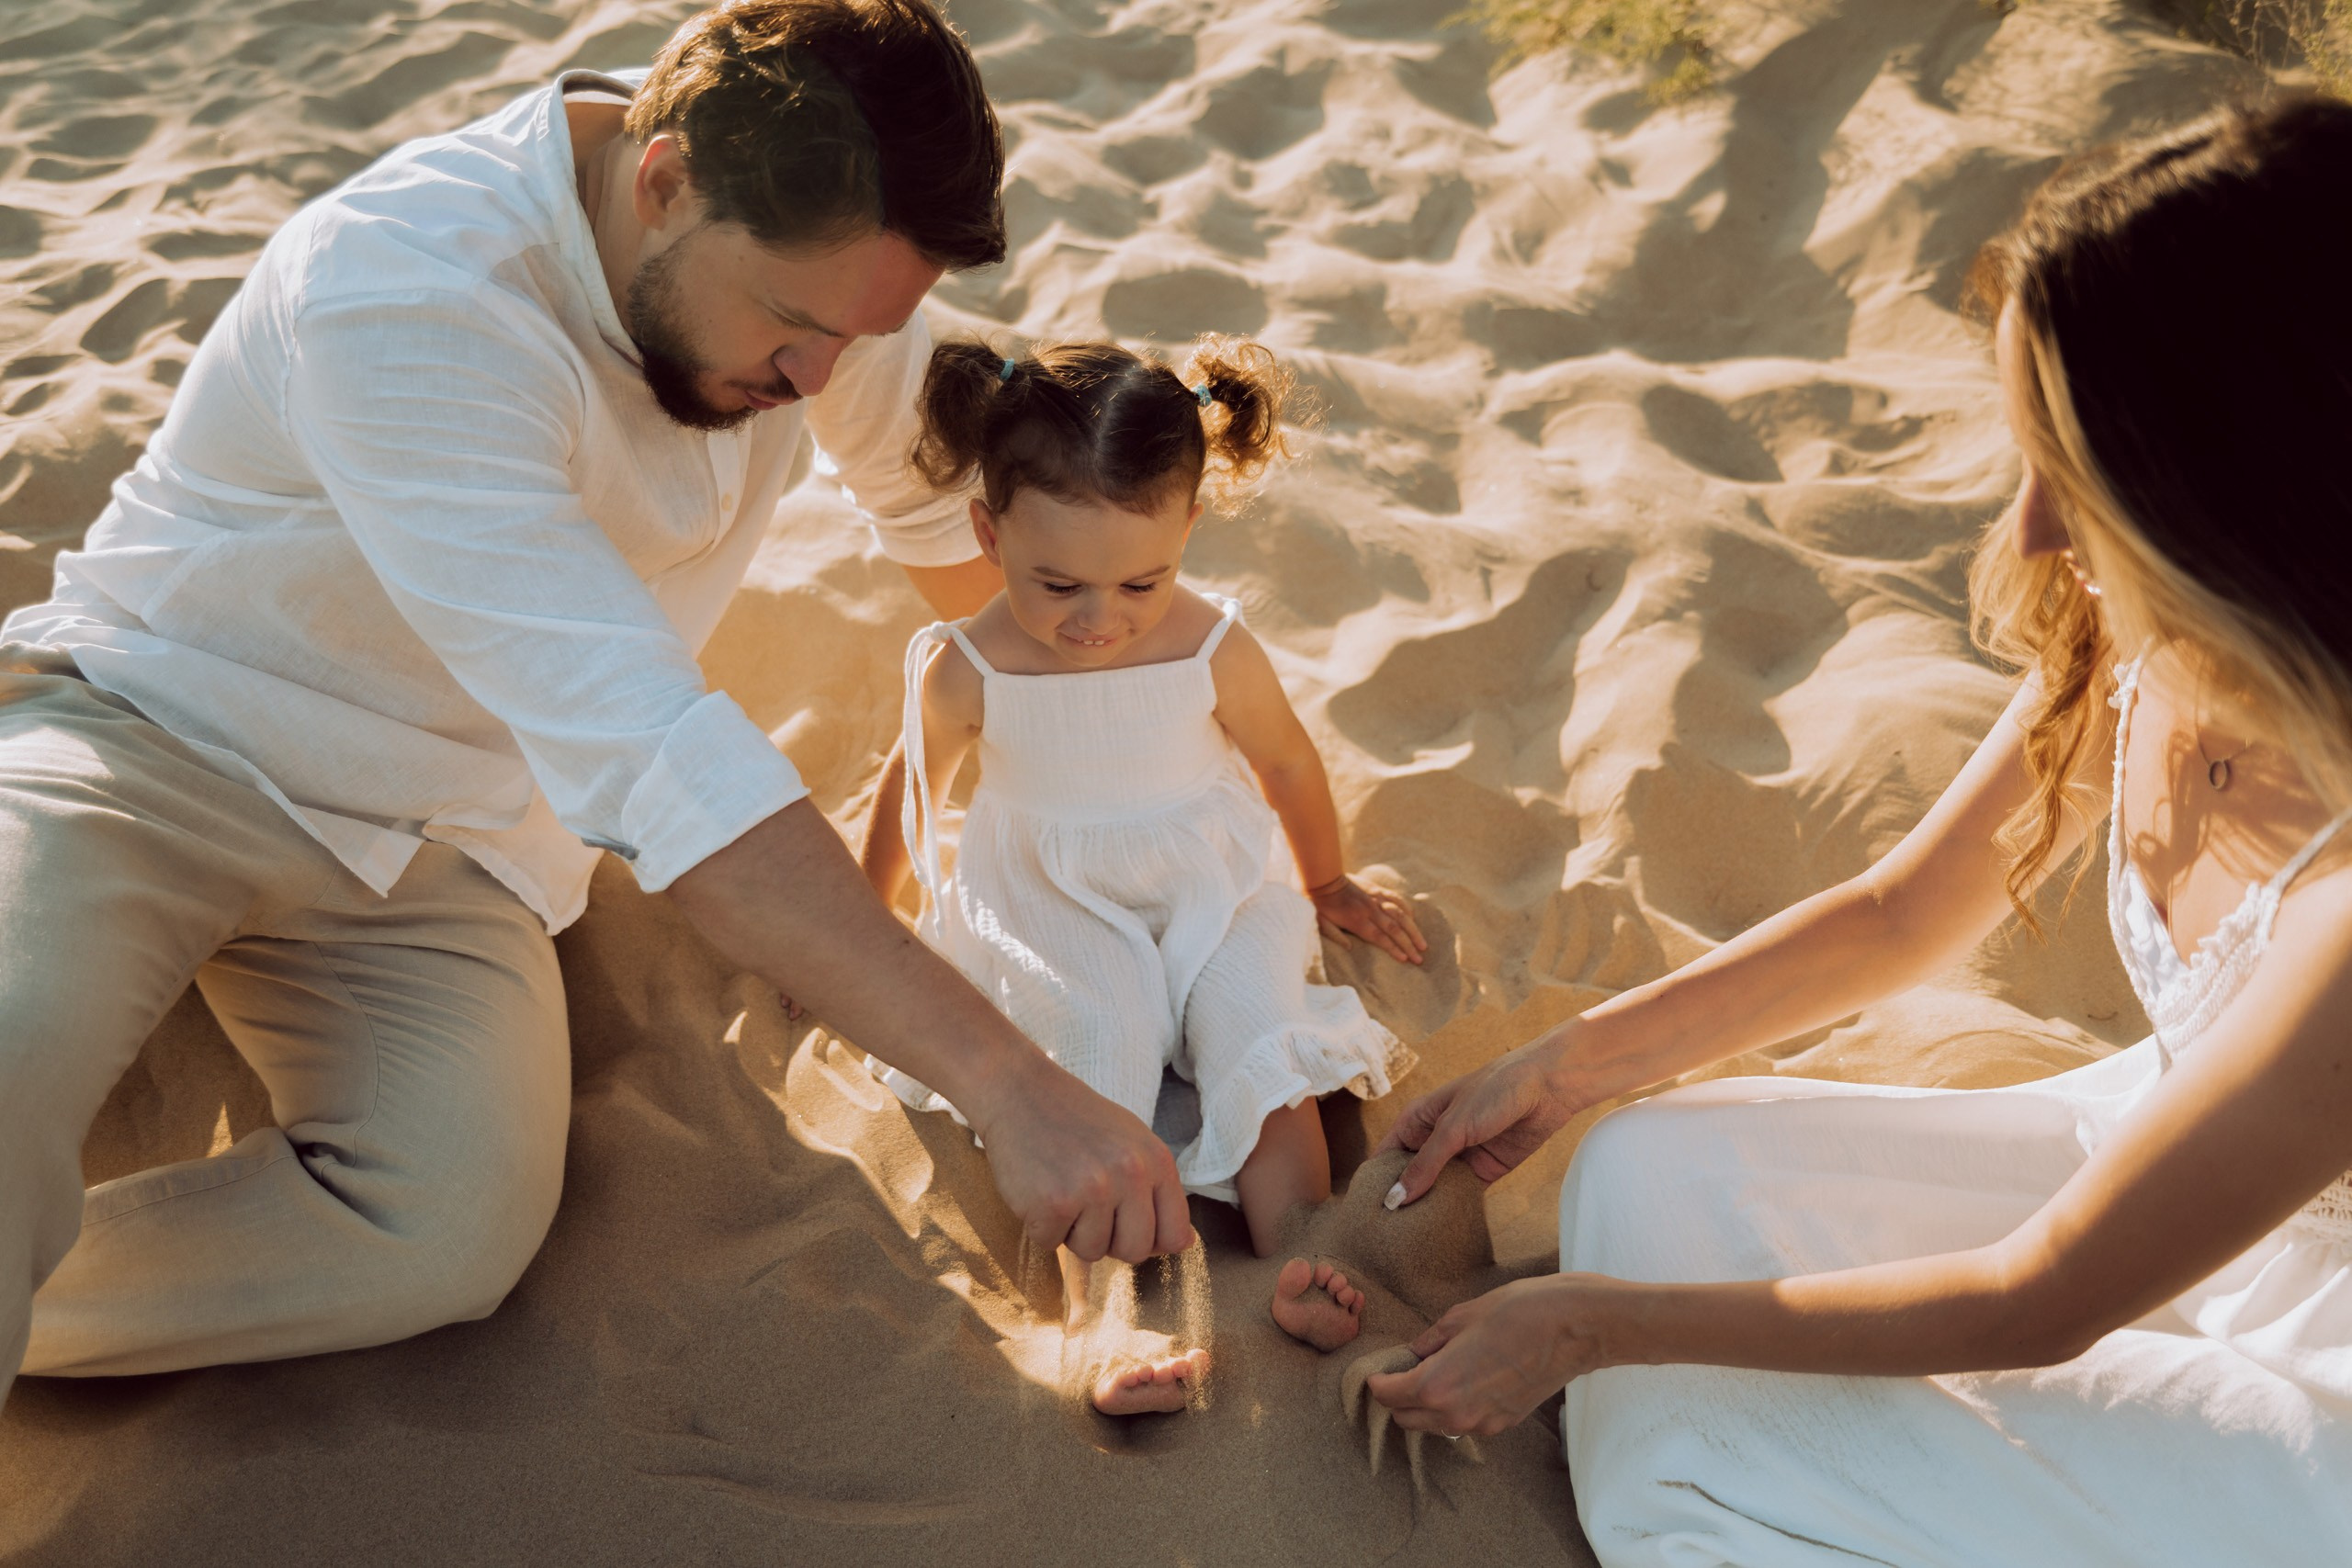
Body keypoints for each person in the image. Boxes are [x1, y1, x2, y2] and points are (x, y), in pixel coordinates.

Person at [0, 0, 1195, 1402]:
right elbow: (655, 756)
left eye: (858, 332)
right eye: (800, 330)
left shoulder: (821, 286)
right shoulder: (410, 290)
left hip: (453, 844)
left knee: (440, 1229)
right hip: (155, 741)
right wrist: (1013, 1085)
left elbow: (970, 554)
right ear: (665, 176)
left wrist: (1162, 771)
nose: (822, 379)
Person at [1352, 96, 2352, 1564]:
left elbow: (2044, 1292)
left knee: (1710, 1436)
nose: (2026, 537)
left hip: (2311, 1362)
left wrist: (1588, 1323)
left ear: (2216, 484)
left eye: (2071, 478)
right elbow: (1902, 913)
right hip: (2148, 1167)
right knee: (1640, 1173)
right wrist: (1562, 1066)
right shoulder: (2151, 650)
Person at [859, 335, 1426, 1413]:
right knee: (1092, 1044)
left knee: (1256, 1027)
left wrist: (1326, 881)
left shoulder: (1209, 643)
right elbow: (911, 790)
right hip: (1051, 889)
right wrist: (869, 909)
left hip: (1209, 876)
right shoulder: (970, 664)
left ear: (1187, 531)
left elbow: (1285, 758)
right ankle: (1108, 1311)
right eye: (1057, 582)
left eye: (1140, 580)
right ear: (988, 532)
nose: (1099, 619)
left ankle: (1299, 1255)